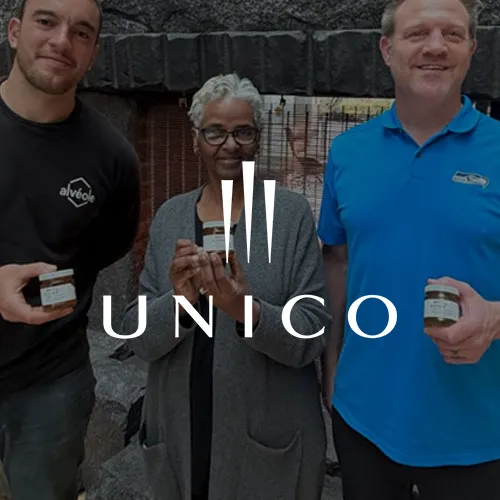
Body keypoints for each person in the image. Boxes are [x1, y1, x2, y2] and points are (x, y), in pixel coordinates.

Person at [318, 0, 500, 499]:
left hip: (480, 435)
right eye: (418, 33)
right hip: (363, 421)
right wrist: (332, 367)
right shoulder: (347, 152)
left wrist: (494, 319)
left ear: (471, 49)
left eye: (452, 34)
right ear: (387, 49)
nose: (436, 47)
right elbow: (338, 260)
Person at [120, 73, 331, 500]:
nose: (230, 145)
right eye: (215, 132)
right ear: (196, 140)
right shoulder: (171, 217)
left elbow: (311, 332)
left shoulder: (289, 216)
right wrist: (180, 303)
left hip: (263, 434)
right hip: (182, 427)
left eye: (243, 132)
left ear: (258, 139)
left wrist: (244, 310)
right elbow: (137, 333)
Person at [0, 0, 141, 498]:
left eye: (81, 32)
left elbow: (106, 247)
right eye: (46, 21)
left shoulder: (113, 156)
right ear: (14, 31)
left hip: (52, 383)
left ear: (93, 53)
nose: (62, 41)